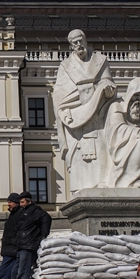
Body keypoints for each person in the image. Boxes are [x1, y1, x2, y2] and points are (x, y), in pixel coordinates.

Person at [52, 29, 116, 191]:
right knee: (79, 157)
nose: (78, 45)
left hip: (99, 117)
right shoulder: (65, 66)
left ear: (86, 40)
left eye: (80, 40)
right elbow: (59, 94)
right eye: (74, 42)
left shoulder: (100, 61)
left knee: (102, 149)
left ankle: (103, 184)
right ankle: (81, 190)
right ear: (70, 45)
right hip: (75, 118)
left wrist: (107, 89)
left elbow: (109, 82)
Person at [103, 77, 140, 190]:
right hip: (120, 143)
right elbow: (117, 130)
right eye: (135, 96)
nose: (138, 100)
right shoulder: (117, 106)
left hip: (134, 136)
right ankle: (130, 179)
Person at [9, 191, 52, 279]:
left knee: (22, 273)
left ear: (29, 201)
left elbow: (47, 218)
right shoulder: (24, 212)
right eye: (20, 202)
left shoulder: (35, 211)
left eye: (23, 202)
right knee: (14, 272)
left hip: (28, 246)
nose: (21, 204)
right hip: (21, 246)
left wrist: (43, 236)